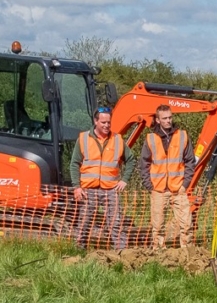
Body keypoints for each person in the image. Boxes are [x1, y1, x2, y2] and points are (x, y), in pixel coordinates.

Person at [71, 107, 131, 250]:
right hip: (88, 189)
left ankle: (122, 252)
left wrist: (125, 180)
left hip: (111, 189)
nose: (106, 125)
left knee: (115, 222)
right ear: (95, 121)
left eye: (108, 122)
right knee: (84, 222)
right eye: (103, 122)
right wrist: (77, 187)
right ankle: (79, 251)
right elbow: (74, 163)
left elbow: (131, 160)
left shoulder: (117, 140)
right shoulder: (84, 139)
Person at [140, 104, 198, 249]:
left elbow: (190, 161)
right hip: (158, 190)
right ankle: (159, 254)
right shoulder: (150, 138)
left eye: (170, 117)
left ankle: (187, 252)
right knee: (158, 226)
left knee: (186, 224)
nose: (168, 121)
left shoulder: (182, 136)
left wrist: (185, 185)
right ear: (158, 120)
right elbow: (144, 163)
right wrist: (149, 185)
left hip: (178, 189)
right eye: (164, 118)